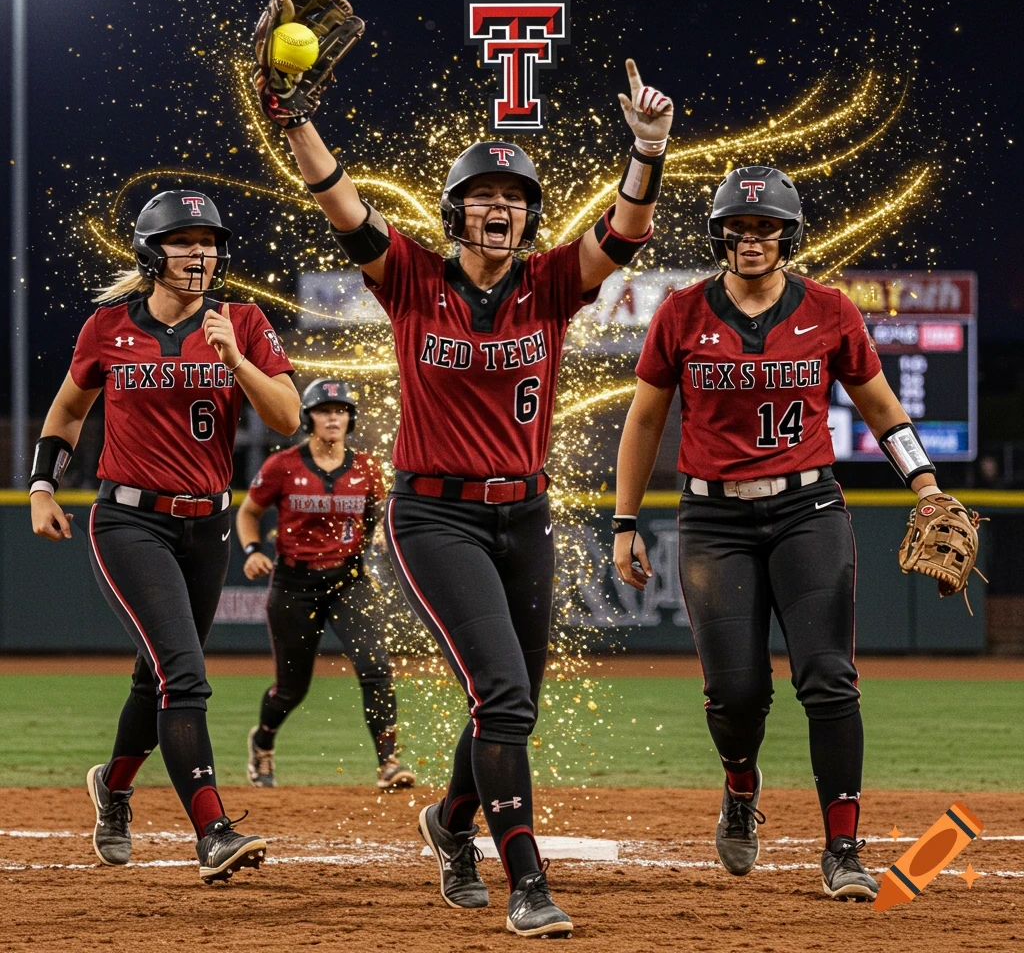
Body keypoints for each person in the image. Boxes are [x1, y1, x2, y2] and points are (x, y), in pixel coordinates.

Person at [255, 58, 672, 936]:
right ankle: (524, 878)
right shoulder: (410, 276)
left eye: (515, 196)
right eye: (484, 194)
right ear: (455, 212)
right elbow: (339, 200)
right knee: (506, 696)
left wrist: (647, 150)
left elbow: (625, 235)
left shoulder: (553, 284)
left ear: (528, 216)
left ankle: (448, 824)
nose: (501, 206)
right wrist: (293, 119)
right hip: (435, 514)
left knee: (511, 694)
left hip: (524, 513)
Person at [612, 165, 976, 902]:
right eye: (739, 228)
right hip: (714, 517)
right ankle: (741, 788)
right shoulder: (681, 313)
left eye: (765, 227)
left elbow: (880, 408)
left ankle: (842, 847)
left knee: (829, 679)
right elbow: (646, 419)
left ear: (788, 233)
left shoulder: (831, 310)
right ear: (719, 233)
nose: (751, 240)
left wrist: (927, 484)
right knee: (736, 692)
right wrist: (625, 520)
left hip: (808, 510)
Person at [29, 190, 300, 883]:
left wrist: (237, 359)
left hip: (206, 524)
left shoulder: (241, 321)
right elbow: (66, 413)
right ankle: (211, 830)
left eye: (208, 241)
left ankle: (113, 788)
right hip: (129, 520)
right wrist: (40, 487)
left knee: (156, 677)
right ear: (151, 251)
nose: (200, 253)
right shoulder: (109, 327)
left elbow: (288, 419)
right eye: (184, 240)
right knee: (184, 674)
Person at [237, 378, 415, 790]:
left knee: (375, 667)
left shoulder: (368, 468)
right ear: (309, 418)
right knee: (291, 688)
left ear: (350, 419)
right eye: (324, 409)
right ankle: (262, 742)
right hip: (294, 583)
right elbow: (248, 513)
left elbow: (376, 520)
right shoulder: (283, 465)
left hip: (348, 579)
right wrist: (251, 552)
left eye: (341, 410)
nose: (333, 416)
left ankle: (388, 761)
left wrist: (374, 545)